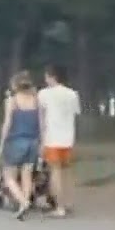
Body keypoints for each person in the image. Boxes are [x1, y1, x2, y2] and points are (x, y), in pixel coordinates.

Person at [38, 64, 80, 217]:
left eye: (47, 76)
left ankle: (59, 207)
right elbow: (74, 114)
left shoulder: (44, 94)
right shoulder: (72, 94)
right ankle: (68, 202)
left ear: (52, 76)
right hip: (68, 138)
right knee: (67, 172)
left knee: (55, 172)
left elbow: (42, 119)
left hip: (52, 138)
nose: (45, 79)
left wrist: (42, 140)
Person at [0, 72, 41, 220]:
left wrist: (2, 143)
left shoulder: (12, 101)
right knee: (27, 175)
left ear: (15, 85)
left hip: (16, 141)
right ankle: (24, 203)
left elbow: (7, 123)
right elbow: (41, 123)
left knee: (9, 176)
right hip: (33, 141)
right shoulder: (36, 100)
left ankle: (24, 202)